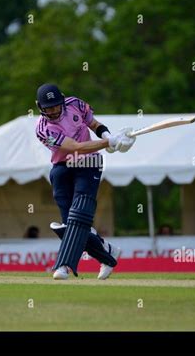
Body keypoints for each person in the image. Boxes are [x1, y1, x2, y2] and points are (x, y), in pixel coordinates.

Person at [35, 83, 136, 280]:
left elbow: (95, 125)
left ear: (62, 100)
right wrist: (109, 142)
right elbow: (75, 147)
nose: (54, 111)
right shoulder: (43, 129)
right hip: (62, 166)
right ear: (40, 107)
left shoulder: (75, 105)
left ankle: (63, 266)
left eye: (56, 105)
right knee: (69, 223)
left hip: (89, 163)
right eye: (48, 108)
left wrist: (107, 135)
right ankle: (106, 252)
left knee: (79, 212)